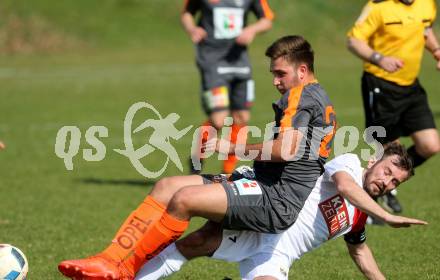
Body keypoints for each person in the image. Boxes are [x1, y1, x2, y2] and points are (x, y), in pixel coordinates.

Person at [58, 35, 337, 279]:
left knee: (184, 200)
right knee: (167, 187)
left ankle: (123, 270)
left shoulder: (299, 96)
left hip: (275, 199)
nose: (275, 81)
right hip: (264, 184)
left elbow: (286, 150)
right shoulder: (318, 95)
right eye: (273, 74)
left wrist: (232, 147)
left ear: (302, 70)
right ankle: (108, 260)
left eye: (280, 74)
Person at [135, 143, 427, 280]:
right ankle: (124, 267)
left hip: (274, 254)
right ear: (374, 160)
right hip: (259, 214)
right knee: (191, 236)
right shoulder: (350, 165)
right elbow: (345, 186)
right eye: (386, 172)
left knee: (193, 241)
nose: (386, 182)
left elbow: (360, 252)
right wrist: (386, 215)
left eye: (394, 182)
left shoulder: (360, 215)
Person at [347, 0, 440, 214]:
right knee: (391, 148)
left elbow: (425, 28)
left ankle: (389, 181)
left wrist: (436, 49)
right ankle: (367, 204)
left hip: (411, 87)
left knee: (431, 145)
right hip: (381, 85)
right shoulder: (378, 6)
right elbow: (353, 41)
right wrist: (379, 58)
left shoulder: (427, 4)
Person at [181, 0, 274, 174]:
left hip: (240, 63)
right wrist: (192, 28)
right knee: (218, 119)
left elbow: (267, 19)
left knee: (241, 117)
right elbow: (186, 13)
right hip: (212, 61)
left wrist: (252, 29)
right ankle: (197, 158)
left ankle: (228, 172)